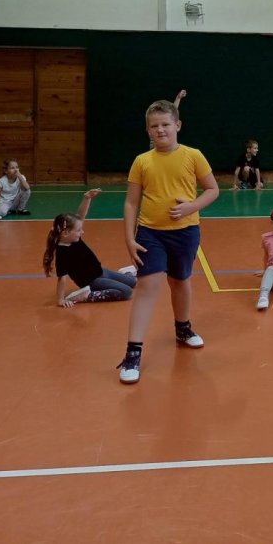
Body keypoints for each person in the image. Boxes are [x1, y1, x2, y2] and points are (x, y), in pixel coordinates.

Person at [116, 99, 220, 384]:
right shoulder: (142, 161)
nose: (160, 130)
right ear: (147, 130)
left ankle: (183, 328)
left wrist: (191, 207)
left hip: (186, 232)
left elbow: (212, 190)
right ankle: (133, 351)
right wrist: (129, 238)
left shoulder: (193, 155)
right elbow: (131, 203)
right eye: (154, 126)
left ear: (178, 125)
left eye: (165, 124)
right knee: (148, 285)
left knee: (180, 281)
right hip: (150, 233)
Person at [43, 188, 137, 306]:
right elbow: (62, 278)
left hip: (101, 271)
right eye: (78, 230)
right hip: (93, 282)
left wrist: (87, 198)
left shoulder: (73, 238)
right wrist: (60, 300)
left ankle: (123, 274)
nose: (82, 232)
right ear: (66, 233)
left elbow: (80, 216)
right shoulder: (63, 253)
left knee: (133, 282)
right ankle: (86, 295)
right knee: (126, 292)